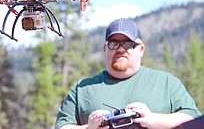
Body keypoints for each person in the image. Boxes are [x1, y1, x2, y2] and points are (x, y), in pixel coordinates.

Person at [55, 18, 201, 129]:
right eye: (113, 43)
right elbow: (62, 126)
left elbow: (193, 120)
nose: (120, 49)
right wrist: (89, 127)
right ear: (105, 49)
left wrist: (152, 120)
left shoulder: (167, 83)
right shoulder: (82, 88)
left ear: (141, 50)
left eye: (128, 44)